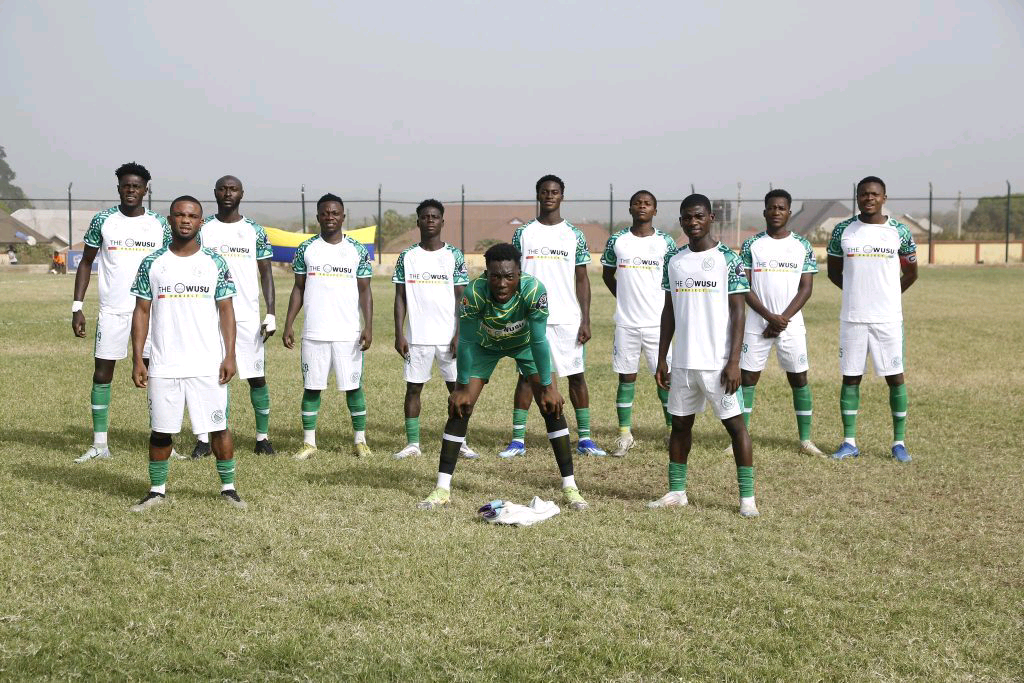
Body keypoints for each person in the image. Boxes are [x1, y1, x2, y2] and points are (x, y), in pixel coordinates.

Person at [418, 243, 589, 511]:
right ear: (487, 274)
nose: (501, 283)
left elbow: (540, 340)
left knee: (551, 406)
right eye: (495, 276)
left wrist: (548, 386)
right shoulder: (474, 292)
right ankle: (441, 489)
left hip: (525, 344)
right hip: (484, 346)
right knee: (460, 407)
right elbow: (466, 342)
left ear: (519, 274)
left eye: (509, 276)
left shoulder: (533, 290)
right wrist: (461, 387)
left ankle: (570, 488)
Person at [127, 195, 244, 511]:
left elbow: (226, 309)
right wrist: (138, 358)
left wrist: (230, 354)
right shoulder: (152, 263)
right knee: (161, 431)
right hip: (164, 363)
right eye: (179, 215)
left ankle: (229, 489)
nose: (185, 220)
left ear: (200, 222)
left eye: (192, 216)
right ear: (170, 220)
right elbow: (141, 311)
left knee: (218, 427)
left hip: (207, 363)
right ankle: (156, 491)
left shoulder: (214, 263)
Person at [652, 194, 758, 518]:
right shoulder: (674, 260)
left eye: (699, 216)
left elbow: (738, 312)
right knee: (680, 426)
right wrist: (662, 357)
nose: (693, 222)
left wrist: (734, 361)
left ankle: (747, 499)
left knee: (736, 427)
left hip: (718, 364)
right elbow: (669, 311)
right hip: (683, 363)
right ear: (681, 221)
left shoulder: (728, 259)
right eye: (687, 217)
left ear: (711, 217)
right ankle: (676, 492)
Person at [72, 162, 170, 464]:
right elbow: (86, 262)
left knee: (158, 374)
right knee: (103, 373)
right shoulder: (103, 220)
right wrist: (77, 306)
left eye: (136, 186)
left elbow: (171, 262)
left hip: (152, 312)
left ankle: (163, 440)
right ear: (118, 188)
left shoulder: (159, 224)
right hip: (113, 310)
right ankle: (99, 444)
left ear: (145, 190)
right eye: (126, 185)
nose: (131, 190)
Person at [502, 174, 605, 457]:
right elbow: (512, 276)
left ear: (562, 196)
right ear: (538, 195)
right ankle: (517, 440)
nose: (550, 196)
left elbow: (582, 278)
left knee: (576, 376)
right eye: (545, 191)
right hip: (531, 318)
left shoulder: (574, 234)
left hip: (567, 318)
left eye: (555, 192)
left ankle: (585, 439)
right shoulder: (524, 233)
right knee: (526, 377)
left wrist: (586, 319)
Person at [826, 176, 918, 462]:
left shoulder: (899, 231)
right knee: (851, 377)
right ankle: (849, 442)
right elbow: (833, 272)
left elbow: (912, 273)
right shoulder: (843, 230)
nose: (869, 198)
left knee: (895, 377)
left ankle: (899, 443)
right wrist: (857, 293)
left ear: (884, 198)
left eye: (874, 194)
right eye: (864, 194)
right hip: (853, 317)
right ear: (857, 197)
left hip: (887, 319)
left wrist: (888, 296)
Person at [191, 175, 277, 457]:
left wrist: (271, 312)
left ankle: (262, 438)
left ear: (242, 194)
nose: (228, 193)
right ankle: (204, 440)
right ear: (215, 192)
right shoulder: (203, 229)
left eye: (233, 189)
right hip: (209, 316)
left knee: (257, 377)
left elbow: (266, 273)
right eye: (223, 189)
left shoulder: (254, 230)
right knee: (210, 378)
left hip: (247, 316)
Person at [283, 193, 373, 459]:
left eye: (335, 213)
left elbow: (365, 291)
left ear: (343, 216)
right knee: (312, 387)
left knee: (353, 387)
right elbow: (298, 288)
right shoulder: (306, 248)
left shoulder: (357, 250)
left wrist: (368, 326)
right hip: (315, 332)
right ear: (318, 217)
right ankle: (309, 443)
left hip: (348, 333)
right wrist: (289, 323)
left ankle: (360, 440)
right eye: (325, 213)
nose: (330, 217)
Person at [737, 189, 824, 456]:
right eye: (772, 208)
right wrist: (769, 316)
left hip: (791, 324)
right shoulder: (752, 245)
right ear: (765, 211)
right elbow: (744, 286)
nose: (776, 212)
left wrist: (782, 319)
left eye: (781, 208)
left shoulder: (802, 245)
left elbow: (806, 288)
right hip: (757, 323)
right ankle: (739, 438)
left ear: (789, 212)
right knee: (747, 378)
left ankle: (805, 440)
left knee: (799, 378)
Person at [392, 199, 477, 460]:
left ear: (442, 221)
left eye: (435, 216)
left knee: (457, 389)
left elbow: (463, 297)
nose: (430, 220)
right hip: (417, 338)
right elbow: (400, 297)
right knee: (413, 389)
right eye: (425, 216)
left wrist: (459, 333)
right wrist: (399, 333)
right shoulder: (407, 256)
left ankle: (460, 442)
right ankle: (412, 444)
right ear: (418, 221)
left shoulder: (453, 255)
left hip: (448, 338)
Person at [600, 190, 677, 457]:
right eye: (637, 203)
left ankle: (672, 432)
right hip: (627, 324)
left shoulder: (665, 241)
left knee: (665, 379)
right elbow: (607, 274)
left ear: (655, 210)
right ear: (630, 208)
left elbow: (674, 278)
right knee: (626, 378)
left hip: (658, 324)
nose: (642, 207)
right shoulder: (618, 241)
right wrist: (623, 297)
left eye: (647, 204)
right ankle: (625, 435)